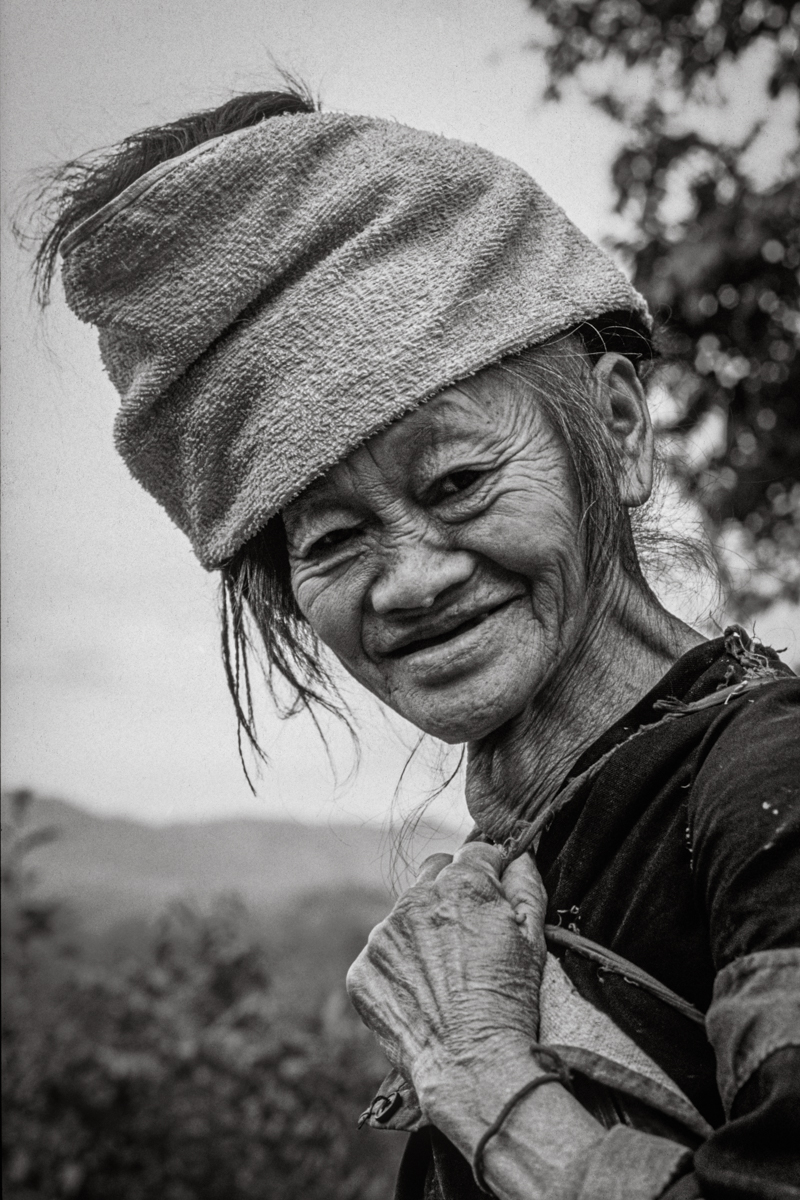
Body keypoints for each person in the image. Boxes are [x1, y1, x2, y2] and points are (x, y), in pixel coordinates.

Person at [33, 86, 799, 1199]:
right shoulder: (548, 852)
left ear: (617, 430)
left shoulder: (765, 790)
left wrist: (484, 1084)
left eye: (457, 480)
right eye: (334, 538)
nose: (411, 579)